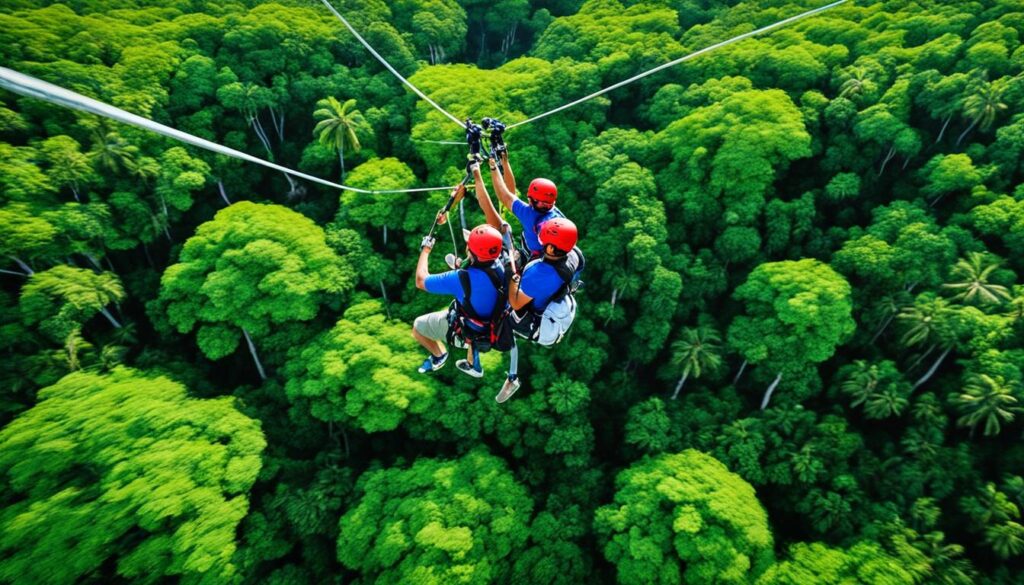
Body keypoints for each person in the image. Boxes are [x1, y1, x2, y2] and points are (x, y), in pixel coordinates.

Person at [413, 222, 504, 378]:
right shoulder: (502, 265)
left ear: (471, 251)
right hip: (495, 327)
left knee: (417, 327)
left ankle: (439, 355)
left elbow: (421, 281)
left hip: (467, 330)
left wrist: (426, 249)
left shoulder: (460, 278)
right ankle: (471, 357)